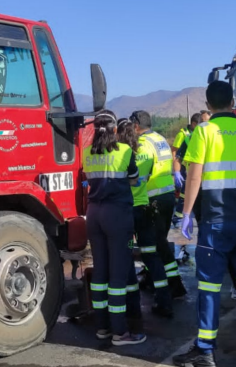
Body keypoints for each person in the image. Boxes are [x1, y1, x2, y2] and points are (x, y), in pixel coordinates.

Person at [173, 81, 236, 366]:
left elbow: (194, 177)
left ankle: (205, 350)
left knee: (209, 287)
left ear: (208, 106)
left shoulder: (203, 132)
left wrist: (186, 214)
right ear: (234, 102)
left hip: (216, 223)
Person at [83, 110, 146, 346]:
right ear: (113, 130)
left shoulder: (86, 152)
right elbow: (133, 178)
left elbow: (91, 178)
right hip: (117, 214)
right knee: (118, 274)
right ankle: (121, 333)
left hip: (94, 214)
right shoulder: (125, 151)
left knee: (100, 272)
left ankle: (102, 327)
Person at [173, 118, 236, 302]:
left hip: (207, 194)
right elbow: (179, 160)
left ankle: (216, 284)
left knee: (213, 240)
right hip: (213, 195)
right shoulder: (193, 138)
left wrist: (187, 211)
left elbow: (194, 176)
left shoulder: (203, 136)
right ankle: (229, 283)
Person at [118, 119, 173, 318]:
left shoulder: (121, 154)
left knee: (124, 256)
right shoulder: (147, 153)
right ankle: (165, 301)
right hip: (144, 208)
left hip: (125, 211)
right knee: (152, 256)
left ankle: (130, 306)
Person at [130, 110, 188, 299]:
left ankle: (174, 283)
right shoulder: (159, 138)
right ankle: (152, 277)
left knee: (156, 243)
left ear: (136, 125)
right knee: (157, 241)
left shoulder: (144, 144)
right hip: (167, 194)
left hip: (152, 198)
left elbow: (137, 175)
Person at [172, 113, 203, 228]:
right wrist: (177, 171)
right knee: (185, 194)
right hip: (186, 169)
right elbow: (175, 152)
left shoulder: (201, 135)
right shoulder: (184, 135)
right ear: (194, 124)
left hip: (198, 172)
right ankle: (178, 217)